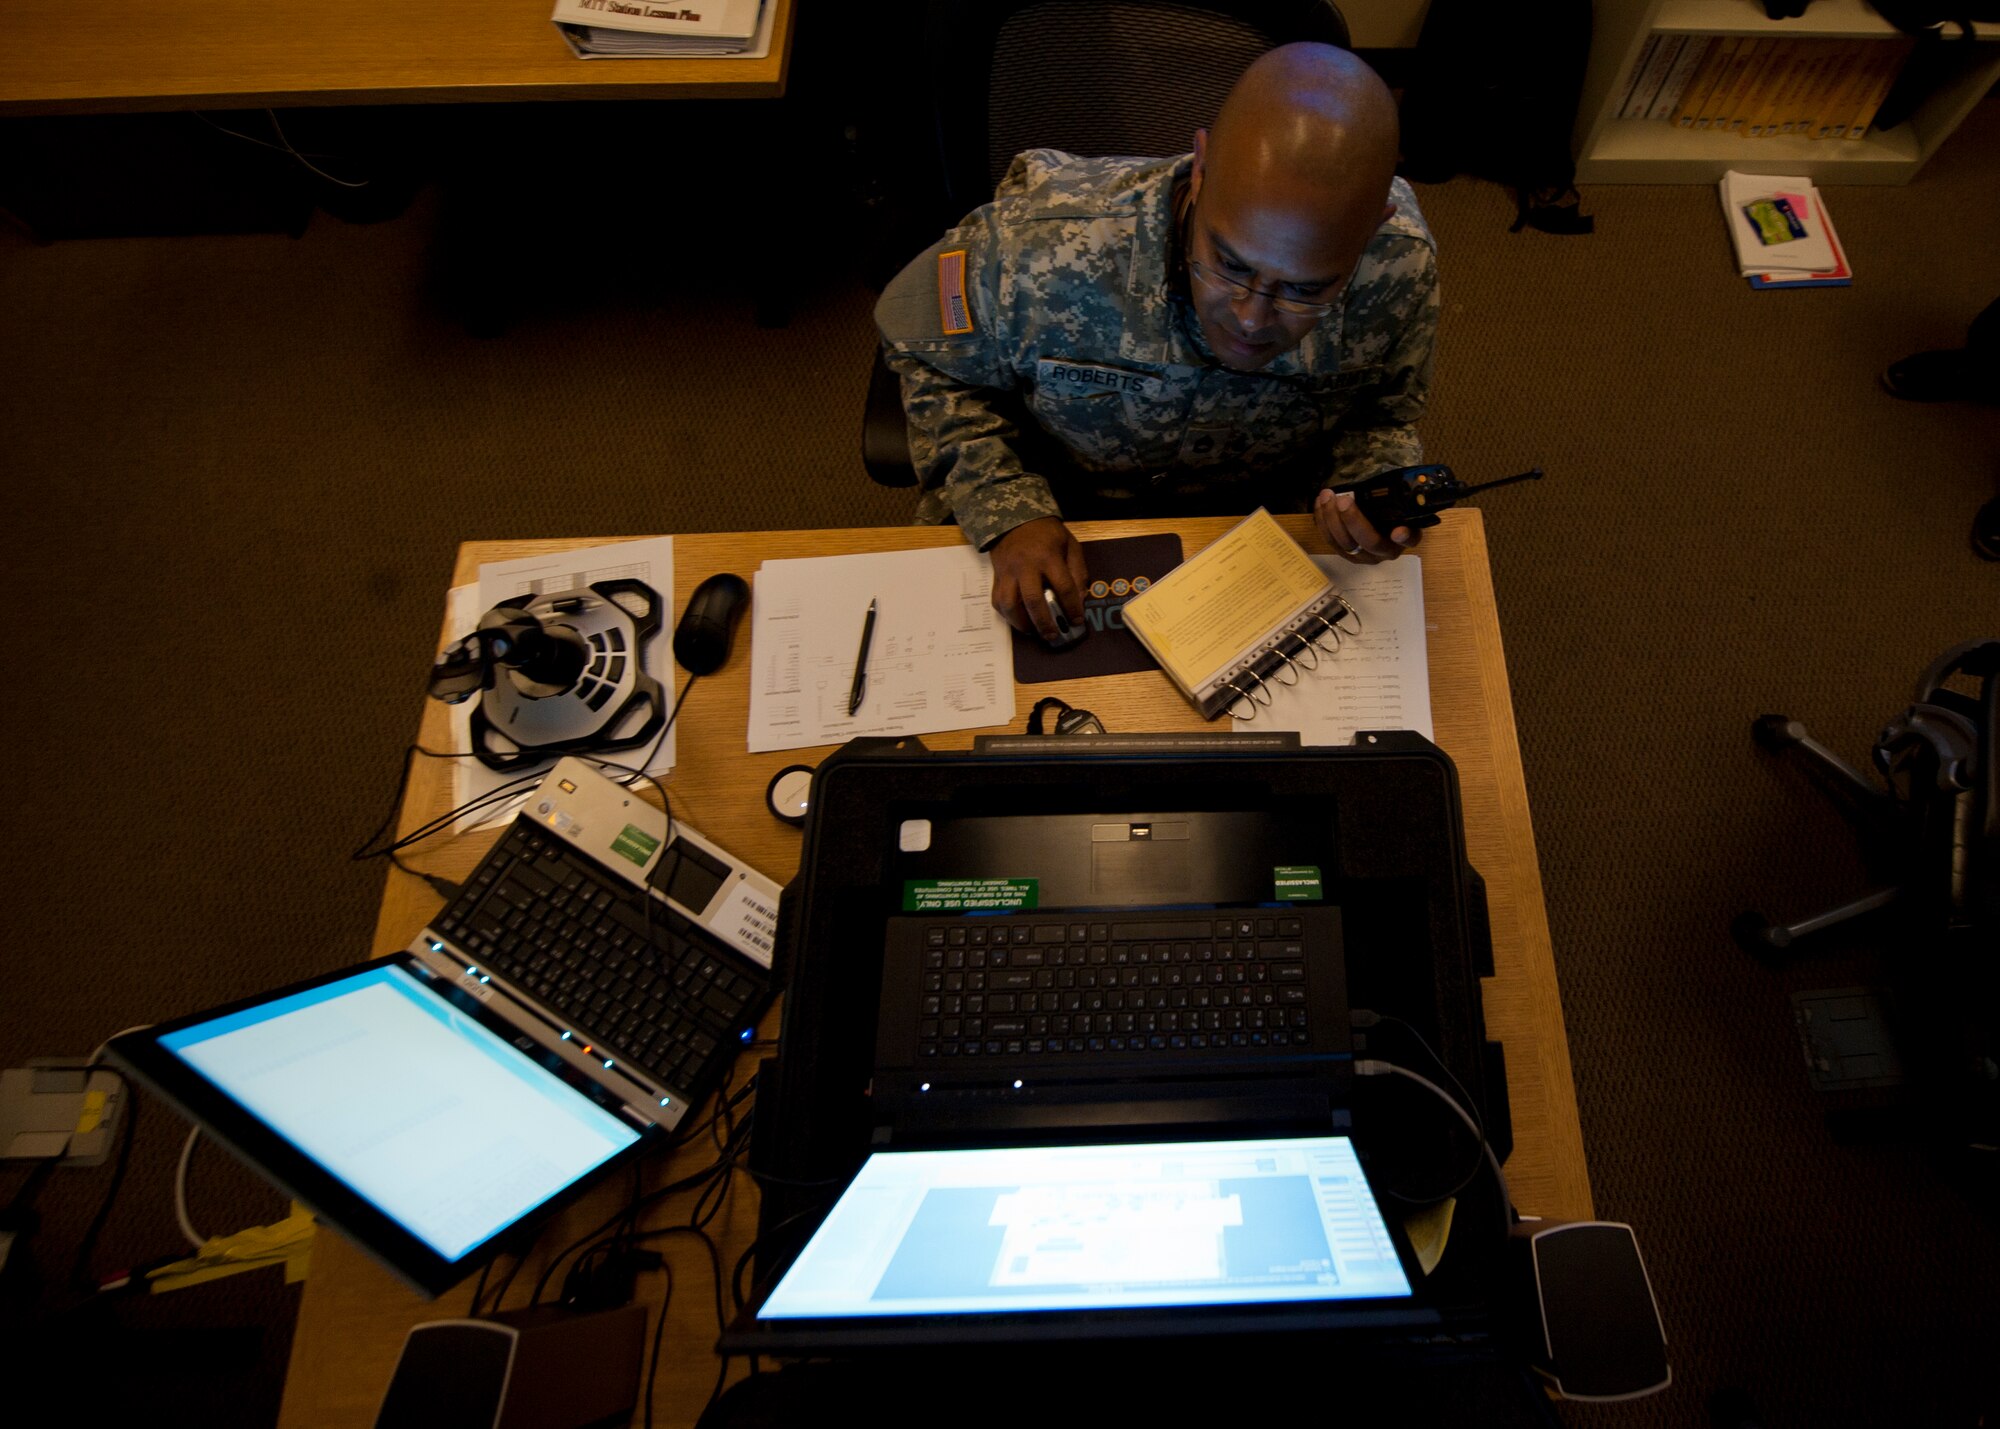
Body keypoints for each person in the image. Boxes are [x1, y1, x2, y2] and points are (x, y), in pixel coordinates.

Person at [874, 43, 1439, 639]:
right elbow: (924, 354)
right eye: (1229, 263)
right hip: (1062, 515)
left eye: (1306, 288)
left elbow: (1382, 415)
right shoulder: (1035, 247)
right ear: (1200, 170)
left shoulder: (1398, 265)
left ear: (1373, 226)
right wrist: (1007, 507)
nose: (1251, 318)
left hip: (1265, 536)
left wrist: (1371, 497)